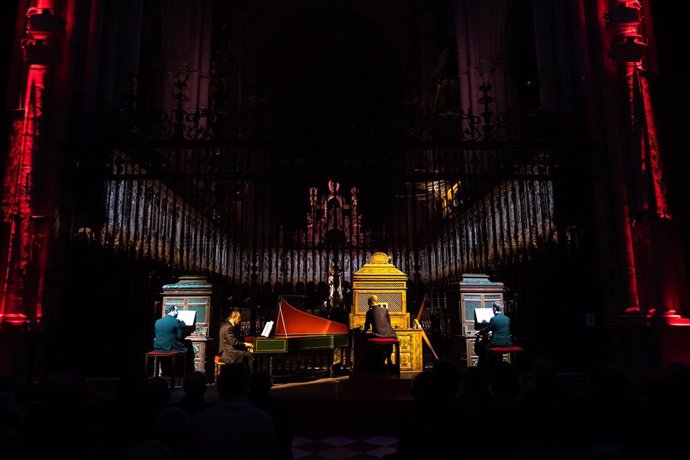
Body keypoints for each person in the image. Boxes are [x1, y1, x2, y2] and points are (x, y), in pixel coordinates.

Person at [362, 294, 397, 370]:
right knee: (388, 344)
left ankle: (376, 365)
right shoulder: (385, 310)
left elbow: (367, 326)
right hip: (390, 334)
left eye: (368, 302)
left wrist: (362, 332)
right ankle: (389, 358)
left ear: (371, 302)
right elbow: (388, 323)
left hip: (378, 334)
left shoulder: (369, 312)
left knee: (369, 344)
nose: (368, 304)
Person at [475, 301, 512, 368]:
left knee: (484, 346)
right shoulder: (507, 319)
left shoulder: (494, 319)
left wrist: (479, 332)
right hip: (507, 343)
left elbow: (487, 329)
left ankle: (489, 366)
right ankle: (499, 364)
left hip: (497, 344)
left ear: (494, 309)